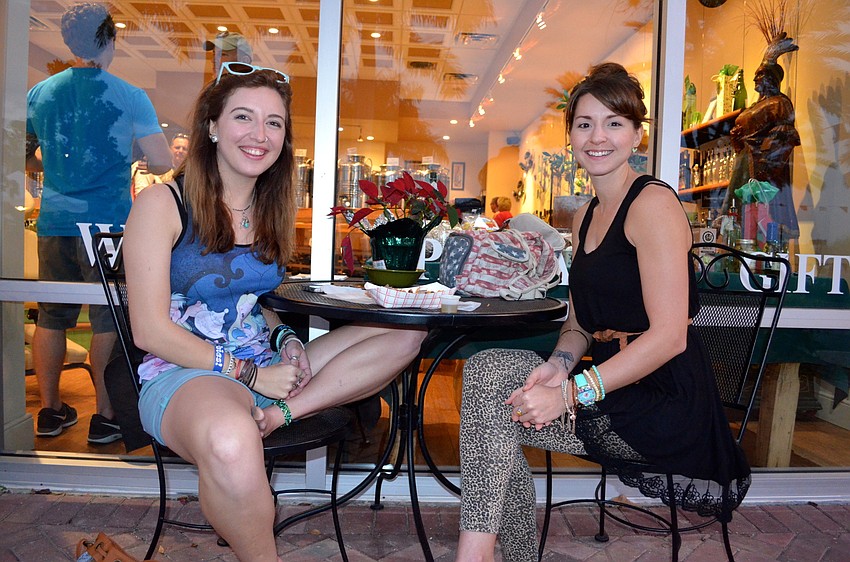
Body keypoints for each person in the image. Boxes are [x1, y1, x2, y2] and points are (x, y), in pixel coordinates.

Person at [123, 62, 426, 561]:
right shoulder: (162, 203)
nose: (259, 135)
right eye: (243, 117)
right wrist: (249, 373)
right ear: (212, 126)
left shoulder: (267, 208)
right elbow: (150, 330)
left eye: (274, 123)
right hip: (184, 371)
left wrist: (284, 340)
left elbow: (254, 303)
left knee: (403, 334)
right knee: (229, 437)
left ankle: (277, 416)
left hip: (264, 369)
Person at [455, 63, 751, 562]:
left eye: (614, 123)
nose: (598, 137)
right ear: (570, 134)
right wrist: (557, 366)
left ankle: (482, 555)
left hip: (666, 399)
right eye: (585, 123)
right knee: (488, 373)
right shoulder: (585, 214)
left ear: (637, 134)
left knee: (494, 408)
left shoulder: (653, 204)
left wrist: (569, 393)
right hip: (613, 384)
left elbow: (670, 338)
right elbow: (578, 324)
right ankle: (489, 553)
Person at [26, 2, 172, 443]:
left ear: (70, 43)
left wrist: (52, 160)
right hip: (106, 225)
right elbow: (164, 160)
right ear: (109, 40)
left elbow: (25, 152)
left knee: (52, 315)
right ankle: (106, 415)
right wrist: (122, 152)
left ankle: (50, 411)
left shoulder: (41, 93)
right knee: (109, 319)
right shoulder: (128, 95)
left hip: (53, 222)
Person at [724, 37, 800, 244]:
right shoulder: (754, 107)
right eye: (756, 74)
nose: (755, 78)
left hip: (762, 172)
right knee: (742, 222)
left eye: (760, 74)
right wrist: (737, 141)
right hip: (744, 166)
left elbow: (783, 138)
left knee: (764, 220)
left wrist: (762, 160)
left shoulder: (780, 103)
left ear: (771, 79)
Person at [131, 133, 190, 197]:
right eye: (177, 147)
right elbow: (141, 195)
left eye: (184, 149)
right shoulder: (148, 167)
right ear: (170, 149)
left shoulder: (189, 175)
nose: (180, 151)